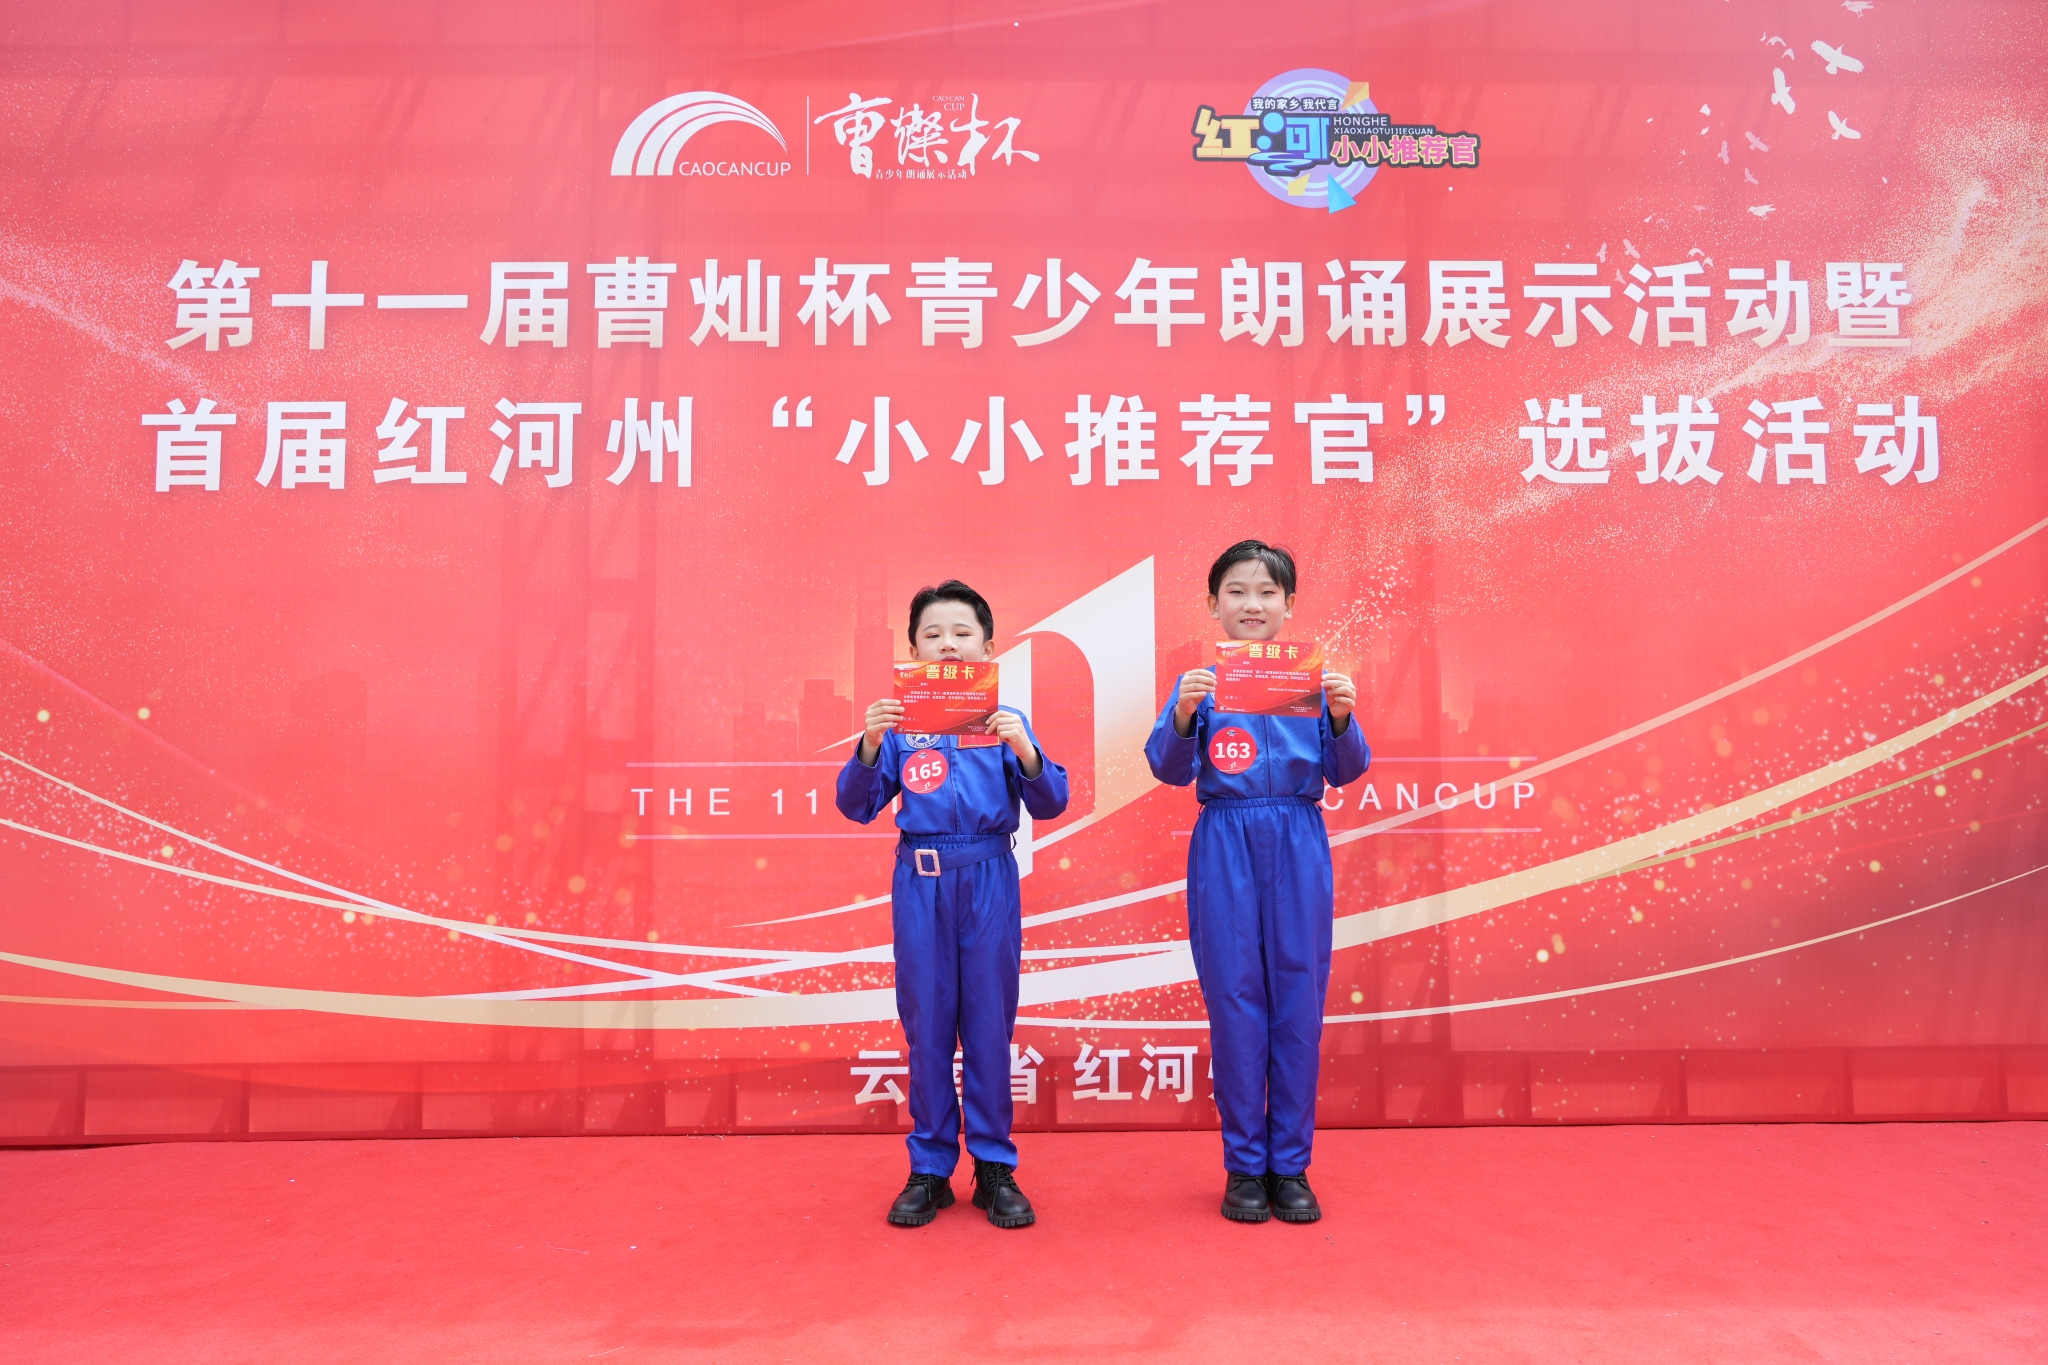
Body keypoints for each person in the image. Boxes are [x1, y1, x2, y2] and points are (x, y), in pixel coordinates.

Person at [1144, 541, 1369, 1224]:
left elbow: (1348, 767)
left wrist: (1340, 716)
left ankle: (1290, 1167)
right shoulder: (1202, 684)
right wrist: (1184, 714)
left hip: (1297, 836)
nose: (1252, 603)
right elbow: (1167, 767)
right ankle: (1244, 1166)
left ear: (1288, 605)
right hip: (1226, 840)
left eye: (1267, 591)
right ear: (1213, 603)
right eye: (1236, 591)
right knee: (1235, 997)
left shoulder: (1312, 680)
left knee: (1298, 999)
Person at [837, 579, 1070, 1229]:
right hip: (922, 881)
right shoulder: (899, 727)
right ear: (913, 650)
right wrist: (869, 744)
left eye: (962, 633)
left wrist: (1025, 749)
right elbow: (856, 805)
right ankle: (931, 1167)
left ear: (988, 647)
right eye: (932, 634)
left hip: (989, 877)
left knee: (989, 1025)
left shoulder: (1004, 723)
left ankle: (994, 1165)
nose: (948, 644)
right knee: (929, 1025)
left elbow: (1052, 801)